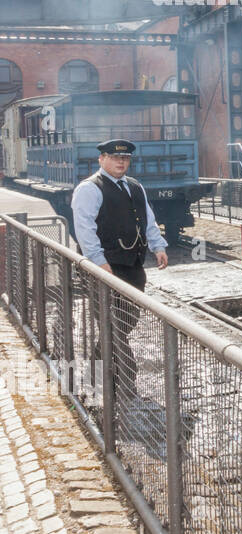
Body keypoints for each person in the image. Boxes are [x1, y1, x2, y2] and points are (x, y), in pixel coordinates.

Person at [70, 139, 169, 403]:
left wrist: (158, 246)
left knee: (123, 323)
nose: (121, 163)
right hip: (103, 268)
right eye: (115, 158)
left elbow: (148, 221)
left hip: (133, 268)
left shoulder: (135, 186)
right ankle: (126, 381)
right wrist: (99, 262)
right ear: (101, 159)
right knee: (112, 324)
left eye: (125, 159)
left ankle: (93, 381)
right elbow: (84, 229)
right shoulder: (89, 189)